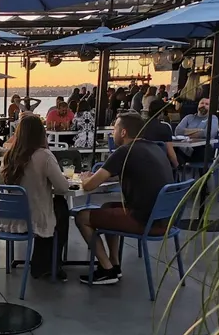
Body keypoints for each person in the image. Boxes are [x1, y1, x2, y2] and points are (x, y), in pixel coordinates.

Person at [74, 112, 173, 285]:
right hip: (165, 220)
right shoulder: (155, 148)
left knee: (81, 217)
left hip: (144, 221)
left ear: (123, 132)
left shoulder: (124, 151)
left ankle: (106, 269)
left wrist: (85, 178)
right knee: (107, 207)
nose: (113, 133)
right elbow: (134, 172)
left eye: (115, 129)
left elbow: (89, 186)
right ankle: (114, 263)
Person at [0, 115, 70, 280]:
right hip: (34, 220)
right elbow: (62, 188)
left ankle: (43, 262)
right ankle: (49, 264)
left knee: (50, 207)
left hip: (10, 220)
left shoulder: (9, 157)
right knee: (60, 207)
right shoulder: (44, 156)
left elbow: (2, 181)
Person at [174, 97, 219, 165]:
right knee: (170, 149)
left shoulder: (213, 118)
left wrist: (187, 133)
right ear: (198, 105)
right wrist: (199, 130)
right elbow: (178, 131)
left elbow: (208, 133)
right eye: (202, 103)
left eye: (207, 104)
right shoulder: (189, 117)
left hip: (203, 149)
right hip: (185, 148)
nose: (203, 105)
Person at [141, 99, 178, 170]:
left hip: (142, 162)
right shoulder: (165, 127)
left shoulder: (140, 125)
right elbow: (170, 153)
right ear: (162, 112)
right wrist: (177, 166)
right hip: (161, 164)